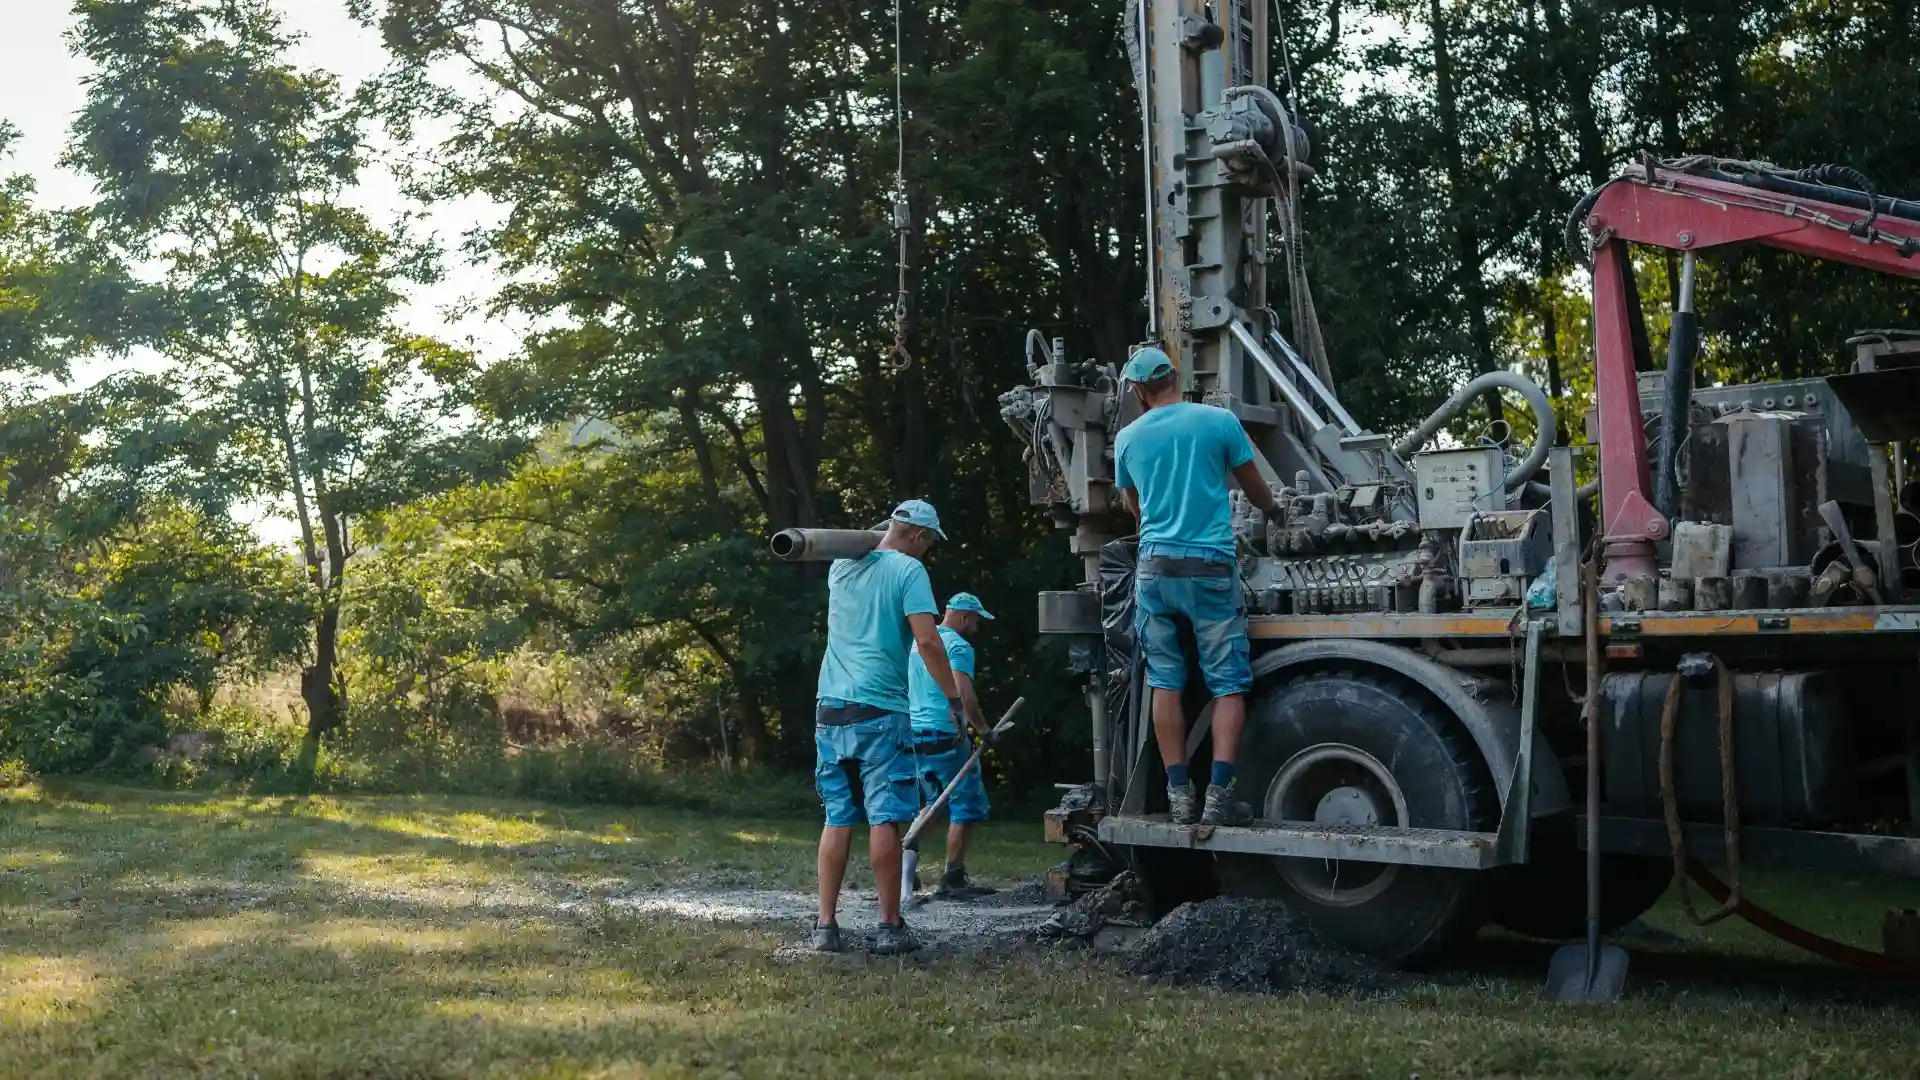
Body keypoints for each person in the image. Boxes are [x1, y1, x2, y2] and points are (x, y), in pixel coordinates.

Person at [1112, 346, 1277, 827]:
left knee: (1166, 680)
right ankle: (1219, 799)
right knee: (1227, 685)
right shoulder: (1218, 421)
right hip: (1209, 568)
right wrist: (1274, 514)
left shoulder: (1128, 437)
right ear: (1175, 376)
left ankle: (1179, 795)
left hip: (1155, 570)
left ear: (1140, 391)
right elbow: (1258, 493)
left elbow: (1133, 505)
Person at [812, 499, 966, 955]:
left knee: (837, 816)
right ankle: (888, 926)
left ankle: (825, 927)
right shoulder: (908, 571)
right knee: (885, 816)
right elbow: (927, 640)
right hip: (881, 710)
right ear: (918, 536)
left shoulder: (841, 565)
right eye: (930, 543)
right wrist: (953, 699)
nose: (930, 553)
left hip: (830, 707)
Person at [905, 592, 997, 899]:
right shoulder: (958, 646)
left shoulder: (918, 645)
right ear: (963, 616)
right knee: (966, 803)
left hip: (917, 732)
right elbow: (964, 696)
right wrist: (985, 731)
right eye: (976, 620)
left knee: (934, 803)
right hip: (947, 733)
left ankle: (903, 862)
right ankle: (952, 878)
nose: (976, 627)